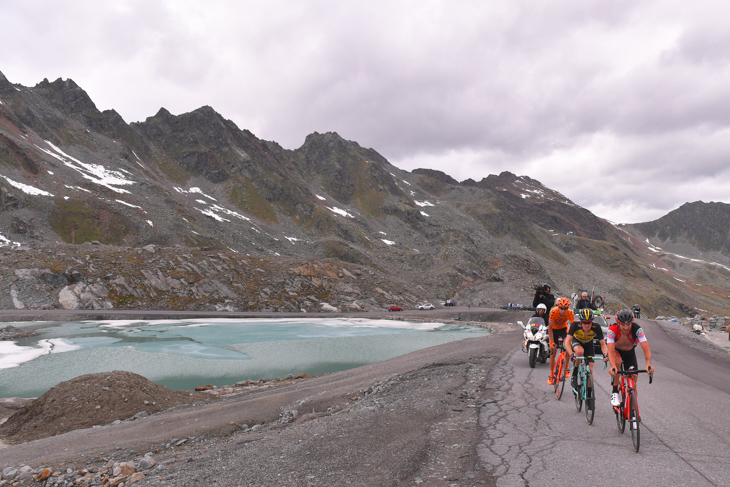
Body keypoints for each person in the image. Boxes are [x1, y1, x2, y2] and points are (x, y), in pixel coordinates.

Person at [606, 309, 654, 407]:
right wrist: (613, 366)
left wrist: (648, 364)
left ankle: (633, 414)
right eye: (623, 325)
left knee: (633, 382)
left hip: (630, 353)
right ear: (618, 324)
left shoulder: (637, 329)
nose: (626, 327)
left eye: (628, 324)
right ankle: (615, 391)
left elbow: (646, 348)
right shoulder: (612, 330)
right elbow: (610, 351)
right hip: (617, 351)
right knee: (617, 362)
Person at [565, 308, 608, 409]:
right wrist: (571, 354)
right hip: (577, 342)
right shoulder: (575, 325)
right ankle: (575, 374)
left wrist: (605, 354)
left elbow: (603, 344)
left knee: (591, 369)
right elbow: (567, 342)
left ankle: (589, 396)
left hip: (589, 344)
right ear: (581, 321)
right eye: (584, 322)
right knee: (580, 352)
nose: (587, 325)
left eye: (589, 322)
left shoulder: (596, 327)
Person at [547, 297, 575, 385]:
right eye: (561, 308)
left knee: (568, 346)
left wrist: (572, 340)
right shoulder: (553, 312)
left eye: (565, 309)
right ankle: (551, 374)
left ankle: (566, 367)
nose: (563, 311)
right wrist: (552, 342)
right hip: (554, 330)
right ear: (558, 307)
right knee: (553, 351)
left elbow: (573, 328)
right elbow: (550, 328)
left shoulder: (570, 313)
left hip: (563, 329)